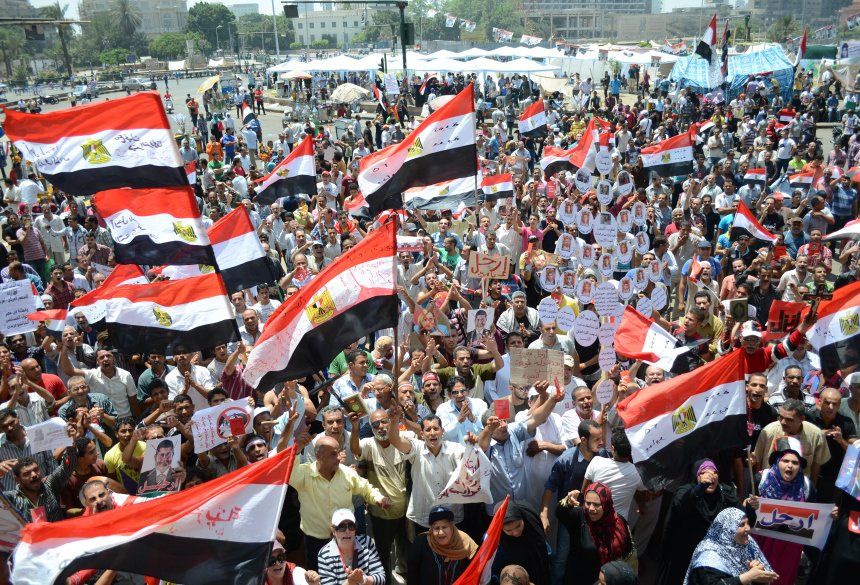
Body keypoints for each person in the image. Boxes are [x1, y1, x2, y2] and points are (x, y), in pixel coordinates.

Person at [657, 459, 741, 584]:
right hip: (683, 555)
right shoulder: (685, 491)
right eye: (704, 472)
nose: (710, 475)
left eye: (714, 472)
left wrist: (750, 508)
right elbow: (681, 504)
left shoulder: (725, 494)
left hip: (708, 559)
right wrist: (700, 488)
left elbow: (739, 517)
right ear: (696, 476)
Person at [555, 482, 636, 585]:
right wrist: (568, 500)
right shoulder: (579, 516)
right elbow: (559, 512)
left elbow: (629, 553)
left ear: (606, 503)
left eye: (597, 504)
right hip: (578, 579)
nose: (591, 508)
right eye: (588, 503)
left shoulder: (619, 522)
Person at [684, 507, 777, 585]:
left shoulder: (746, 545)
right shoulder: (709, 555)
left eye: (748, 523)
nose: (748, 528)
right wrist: (748, 576)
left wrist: (759, 576)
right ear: (727, 529)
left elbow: (757, 576)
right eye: (741, 525)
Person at [407, 505, 477, 585]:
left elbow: (475, 571)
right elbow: (412, 573)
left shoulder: (465, 542)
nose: (441, 532)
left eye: (444, 527)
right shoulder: (421, 542)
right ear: (431, 529)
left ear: (452, 527)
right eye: (436, 528)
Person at [316, 508, 386, 585]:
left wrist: (363, 580)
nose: (347, 531)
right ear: (333, 531)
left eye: (351, 526)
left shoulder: (366, 542)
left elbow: (381, 577)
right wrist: (350, 582)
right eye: (341, 527)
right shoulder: (324, 555)